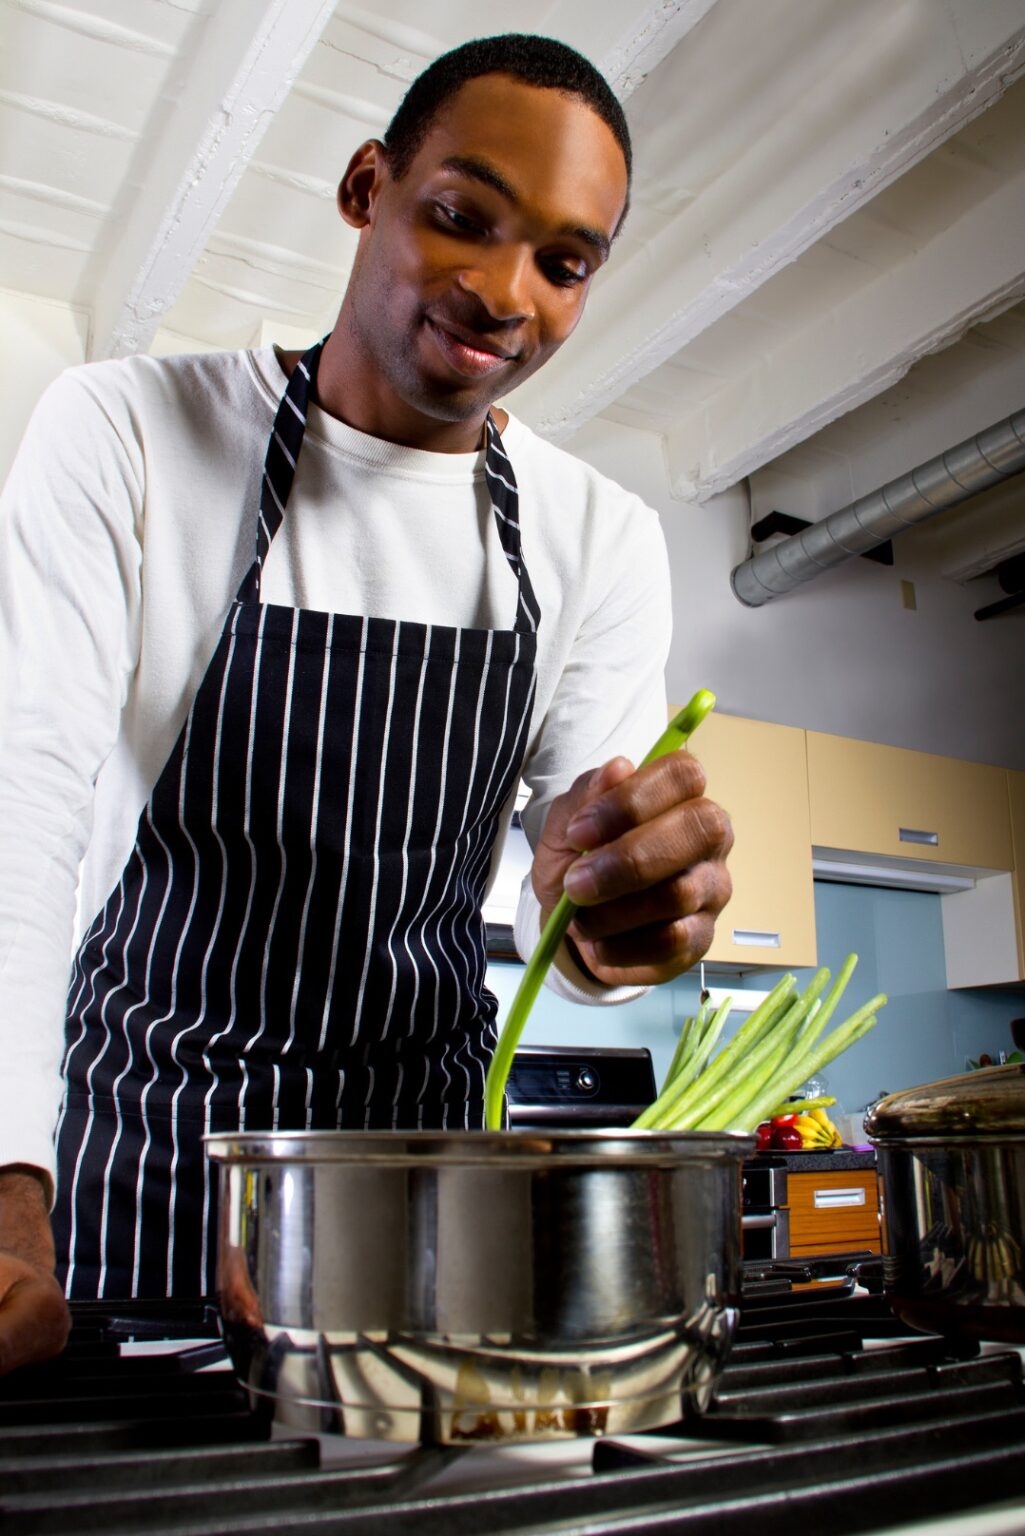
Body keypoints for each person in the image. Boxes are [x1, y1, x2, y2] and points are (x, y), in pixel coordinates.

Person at [0, 33, 732, 1372]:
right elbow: (25, 810)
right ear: (364, 186)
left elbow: (559, 905)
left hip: (418, 1211)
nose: (503, 292)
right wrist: (5, 1182)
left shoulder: (599, 538)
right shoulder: (126, 434)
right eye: (460, 218)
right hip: (143, 1166)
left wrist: (615, 916)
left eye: (563, 265)